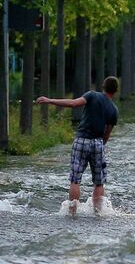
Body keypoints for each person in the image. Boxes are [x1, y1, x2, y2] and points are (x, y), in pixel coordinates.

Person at [35, 76, 120, 216]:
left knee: (75, 179)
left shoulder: (92, 95)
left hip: (81, 140)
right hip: (98, 143)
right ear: (115, 91)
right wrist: (99, 146)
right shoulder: (114, 110)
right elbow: (107, 134)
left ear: (103, 86)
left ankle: (72, 213)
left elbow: (74, 103)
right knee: (99, 182)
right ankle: (98, 214)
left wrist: (49, 100)